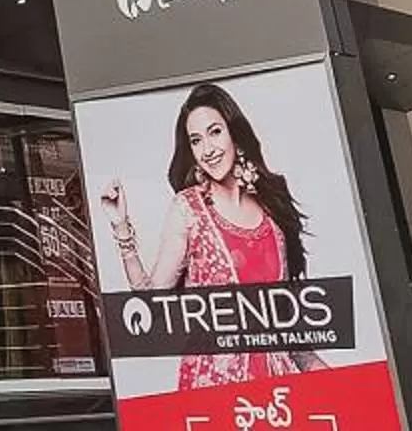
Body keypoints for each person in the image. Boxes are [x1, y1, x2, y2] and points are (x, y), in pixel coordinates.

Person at [100, 83, 309, 388]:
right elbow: (152, 303)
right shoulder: (189, 209)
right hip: (214, 389)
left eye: (215, 132)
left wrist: (344, 388)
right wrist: (121, 228)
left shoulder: (273, 206)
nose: (208, 150)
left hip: (277, 389)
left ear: (235, 134)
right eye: (196, 141)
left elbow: (290, 330)